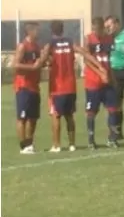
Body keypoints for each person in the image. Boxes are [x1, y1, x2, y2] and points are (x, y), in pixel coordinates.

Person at [41, 20, 106, 152]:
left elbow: (43, 60)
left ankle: (56, 145)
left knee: (56, 115)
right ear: (63, 29)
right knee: (69, 115)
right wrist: (100, 66)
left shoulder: (50, 44)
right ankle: (72, 144)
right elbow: (85, 53)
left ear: (52, 31)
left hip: (56, 86)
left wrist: (44, 61)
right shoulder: (70, 43)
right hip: (71, 85)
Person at [84, 17, 119, 149]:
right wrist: (100, 73)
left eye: (97, 29)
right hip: (93, 81)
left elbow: (109, 59)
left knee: (112, 109)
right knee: (91, 111)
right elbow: (87, 61)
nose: (95, 32)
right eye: (93, 29)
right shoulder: (88, 39)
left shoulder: (109, 39)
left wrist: (111, 76)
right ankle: (91, 140)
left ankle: (112, 138)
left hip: (108, 80)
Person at [13, 22, 44, 154]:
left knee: (33, 118)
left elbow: (38, 62)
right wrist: (32, 68)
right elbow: (15, 65)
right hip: (23, 86)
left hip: (34, 86)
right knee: (22, 118)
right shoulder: (23, 46)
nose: (39, 32)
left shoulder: (36, 46)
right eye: (37, 30)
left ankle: (29, 144)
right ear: (30, 31)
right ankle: (23, 146)